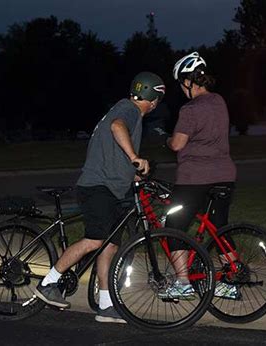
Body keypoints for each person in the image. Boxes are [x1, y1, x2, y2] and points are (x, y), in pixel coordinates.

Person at [34, 72, 166, 323]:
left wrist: (132, 175)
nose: (156, 104)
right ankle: (48, 283)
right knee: (96, 240)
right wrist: (135, 158)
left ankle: (105, 305)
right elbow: (117, 127)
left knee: (110, 245)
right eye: (158, 98)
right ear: (153, 98)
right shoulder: (128, 109)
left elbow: (112, 150)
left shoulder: (125, 109)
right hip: (97, 187)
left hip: (112, 187)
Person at [163, 51, 239, 299]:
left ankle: (183, 282)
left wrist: (167, 140)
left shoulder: (190, 109)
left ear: (187, 81)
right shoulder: (219, 101)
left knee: (173, 226)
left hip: (194, 177)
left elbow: (177, 144)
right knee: (218, 228)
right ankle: (232, 279)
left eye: (180, 83)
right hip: (225, 174)